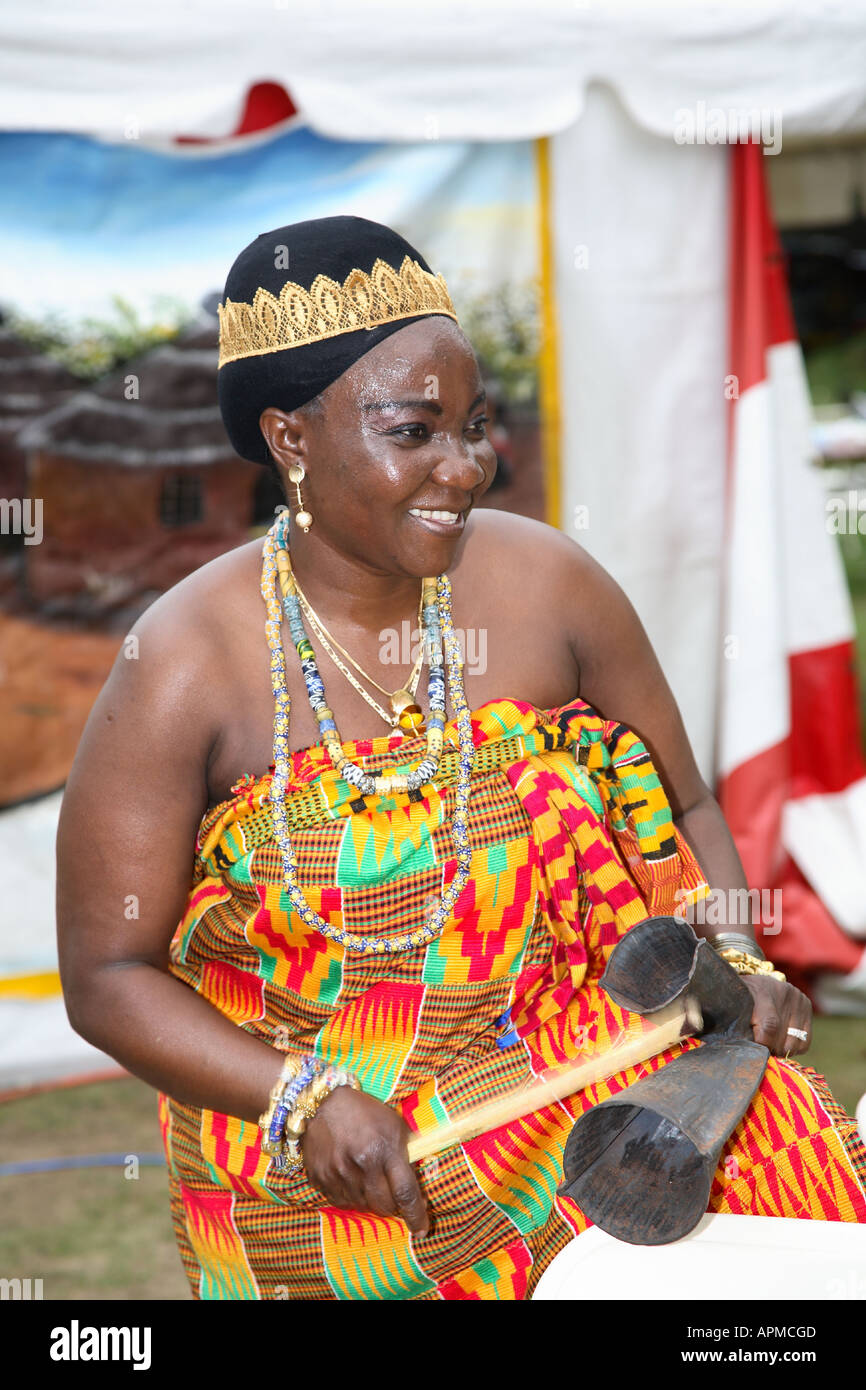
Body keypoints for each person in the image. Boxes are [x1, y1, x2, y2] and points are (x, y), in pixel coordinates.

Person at [57, 216, 866, 1301]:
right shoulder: (183, 664)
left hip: (598, 1114)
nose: (465, 465)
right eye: (415, 430)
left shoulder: (550, 589)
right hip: (338, 1190)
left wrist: (741, 961)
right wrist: (300, 1099)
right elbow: (108, 976)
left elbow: (682, 804)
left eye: (473, 425)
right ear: (290, 440)